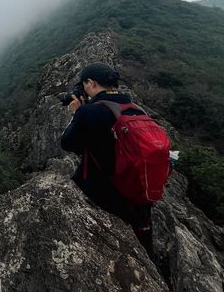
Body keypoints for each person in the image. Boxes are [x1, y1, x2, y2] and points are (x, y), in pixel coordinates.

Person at [60, 62, 154, 257]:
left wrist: (78, 113)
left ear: (91, 83)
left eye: (84, 85)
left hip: (104, 194)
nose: (84, 90)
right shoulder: (134, 108)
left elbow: (68, 143)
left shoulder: (90, 112)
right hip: (137, 192)